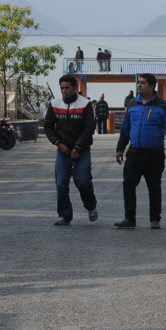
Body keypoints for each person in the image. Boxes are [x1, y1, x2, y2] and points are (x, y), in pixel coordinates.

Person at [115, 73, 166, 229]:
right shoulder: (132, 104)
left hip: (154, 155)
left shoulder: (162, 105)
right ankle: (130, 219)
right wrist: (120, 149)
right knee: (128, 185)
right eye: (138, 82)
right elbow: (125, 129)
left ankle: (155, 219)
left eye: (143, 83)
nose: (139, 85)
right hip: (134, 154)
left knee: (154, 188)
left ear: (151, 86)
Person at [43, 74, 98, 226]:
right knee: (61, 183)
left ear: (75, 88)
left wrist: (77, 147)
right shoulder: (54, 104)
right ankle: (64, 214)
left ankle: (90, 206)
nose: (64, 91)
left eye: (67, 88)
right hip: (63, 150)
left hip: (82, 150)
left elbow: (89, 128)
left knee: (83, 181)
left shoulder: (85, 104)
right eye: (62, 88)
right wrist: (58, 144)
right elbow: (48, 127)